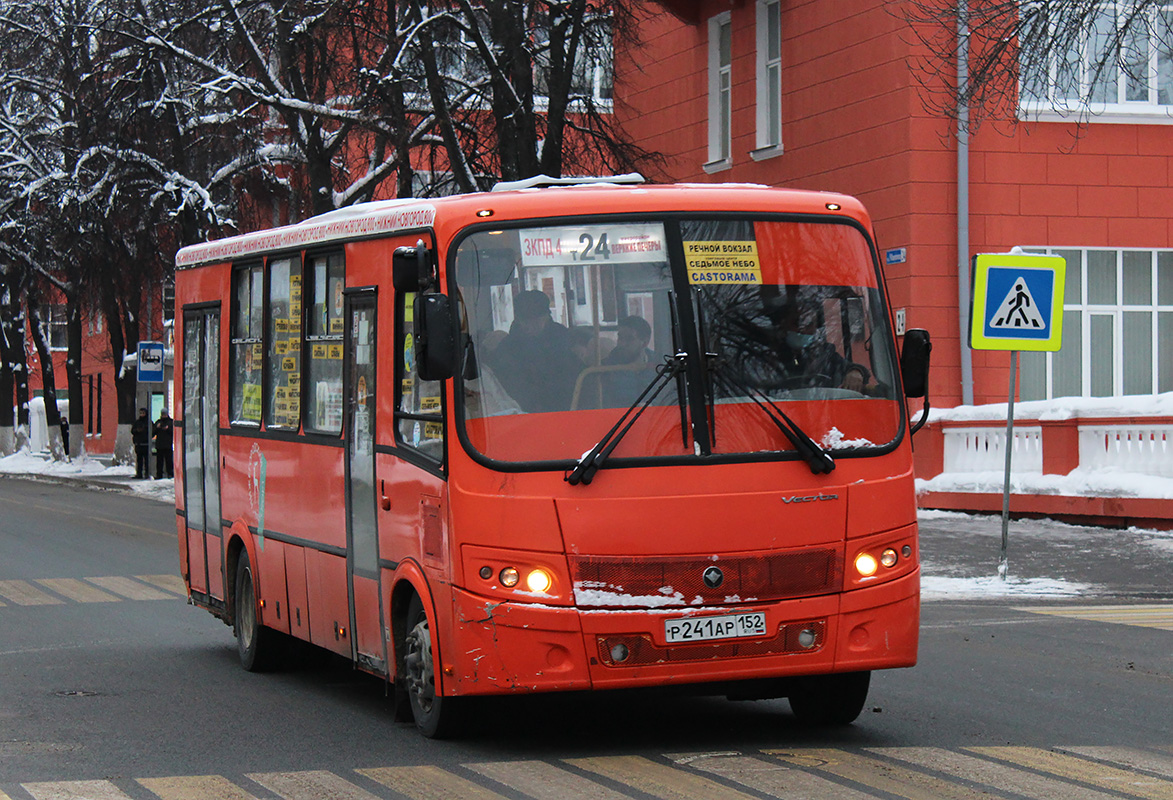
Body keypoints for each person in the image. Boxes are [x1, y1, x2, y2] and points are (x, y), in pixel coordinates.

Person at [492, 290, 578, 412]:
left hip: (560, 408)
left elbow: (569, 379)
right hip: (520, 411)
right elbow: (502, 382)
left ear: (546, 317)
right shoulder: (508, 346)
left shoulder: (563, 340)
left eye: (534, 320)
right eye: (523, 320)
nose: (527, 325)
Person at [599, 315, 659, 406]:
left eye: (629, 339)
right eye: (620, 337)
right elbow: (603, 406)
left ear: (645, 342)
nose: (622, 343)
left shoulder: (659, 365)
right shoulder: (606, 369)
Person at [153, 408, 174, 479]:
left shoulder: (171, 422)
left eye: (165, 414)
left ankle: (170, 473)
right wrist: (157, 428)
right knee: (159, 461)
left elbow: (174, 432)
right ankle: (159, 474)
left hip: (168, 445)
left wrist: (168, 429)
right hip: (159, 445)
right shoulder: (158, 422)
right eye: (162, 414)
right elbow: (152, 433)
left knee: (169, 461)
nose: (164, 416)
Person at [131, 408, 150, 479]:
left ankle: (147, 473)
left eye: (143, 413)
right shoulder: (137, 422)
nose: (142, 414)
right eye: (141, 413)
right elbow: (132, 431)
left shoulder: (148, 422)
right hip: (138, 444)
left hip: (146, 444)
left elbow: (152, 431)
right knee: (139, 460)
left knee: (146, 460)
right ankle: (139, 473)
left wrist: (144, 431)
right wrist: (137, 430)